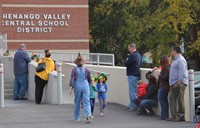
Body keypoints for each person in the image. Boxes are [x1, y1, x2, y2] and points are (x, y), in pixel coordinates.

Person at [68, 52, 92, 123]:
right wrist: (91, 85)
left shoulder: (74, 70)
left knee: (77, 101)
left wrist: (70, 89)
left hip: (77, 85)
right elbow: (90, 80)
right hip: (85, 85)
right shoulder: (87, 69)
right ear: (83, 62)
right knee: (86, 101)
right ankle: (88, 115)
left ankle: (76, 117)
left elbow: (72, 80)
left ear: (76, 63)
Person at [167, 46, 188, 122]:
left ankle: (181, 116)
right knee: (171, 98)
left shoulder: (181, 60)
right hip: (173, 82)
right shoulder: (176, 60)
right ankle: (174, 115)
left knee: (179, 99)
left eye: (172, 51)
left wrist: (180, 81)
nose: (171, 52)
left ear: (175, 51)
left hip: (179, 82)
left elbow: (182, 71)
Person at [125, 43, 142, 111]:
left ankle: (134, 105)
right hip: (135, 74)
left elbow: (126, 63)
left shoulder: (133, 56)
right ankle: (131, 104)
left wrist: (127, 59)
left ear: (132, 48)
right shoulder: (139, 55)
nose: (129, 50)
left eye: (129, 48)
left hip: (132, 74)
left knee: (132, 91)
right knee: (133, 91)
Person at [157, 55, 171, 120]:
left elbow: (166, 77)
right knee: (164, 100)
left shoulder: (166, 68)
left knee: (162, 100)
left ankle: (164, 116)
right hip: (166, 87)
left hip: (164, 87)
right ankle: (165, 116)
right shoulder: (167, 67)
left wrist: (160, 75)